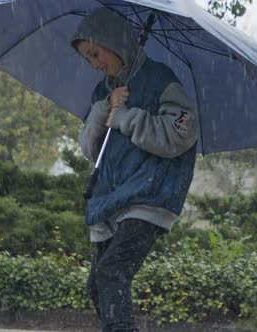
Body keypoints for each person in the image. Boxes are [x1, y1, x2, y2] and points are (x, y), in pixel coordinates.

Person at [71, 8, 199, 332]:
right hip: (111, 200)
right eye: (88, 58)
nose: (95, 64)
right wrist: (104, 109)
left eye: (96, 53)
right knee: (97, 287)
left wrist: (128, 117)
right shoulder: (103, 91)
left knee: (112, 271)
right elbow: (89, 148)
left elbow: (180, 134)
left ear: (115, 42)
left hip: (149, 194)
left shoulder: (160, 79)